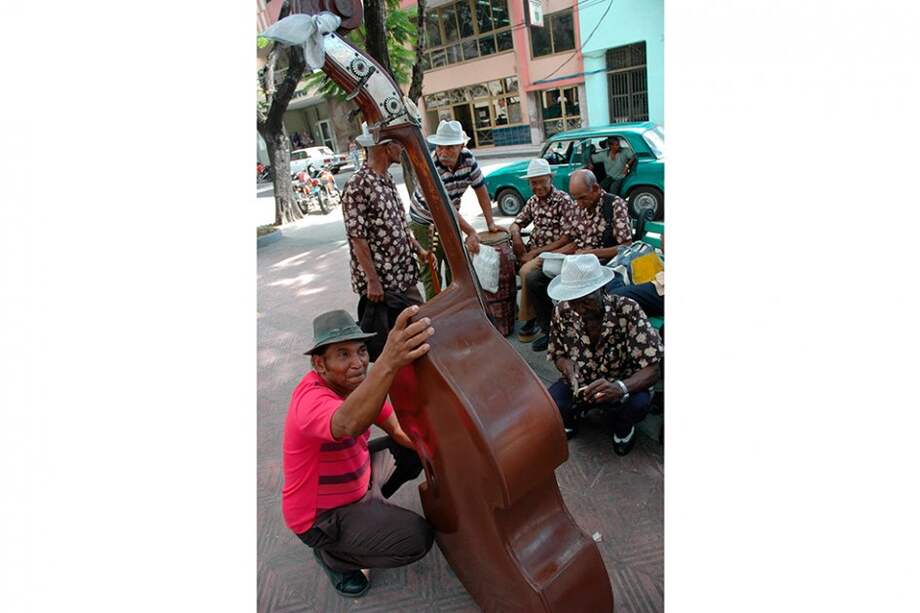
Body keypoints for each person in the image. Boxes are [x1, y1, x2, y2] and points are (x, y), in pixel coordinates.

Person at [282, 307, 436, 598]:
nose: (358, 363)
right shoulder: (310, 398)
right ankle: (334, 557)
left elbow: (399, 431)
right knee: (417, 538)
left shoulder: (359, 385)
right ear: (320, 364)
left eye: (362, 351)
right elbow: (347, 424)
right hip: (320, 519)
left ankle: (368, 515)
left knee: (412, 452)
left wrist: (447, 456)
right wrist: (387, 364)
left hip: (359, 484)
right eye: (343, 354)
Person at [543, 254, 662, 455]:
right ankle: (573, 417)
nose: (580, 310)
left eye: (586, 301)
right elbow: (558, 354)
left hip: (621, 381)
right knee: (554, 401)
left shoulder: (627, 309)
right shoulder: (562, 311)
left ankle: (623, 427)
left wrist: (620, 387)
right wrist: (568, 369)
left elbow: (653, 369)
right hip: (582, 383)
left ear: (603, 289)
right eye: (574, 302)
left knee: (639, 404)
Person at [341, 123, 429, 357]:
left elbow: (399, 223)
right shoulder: (357, 185)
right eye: (398, 144)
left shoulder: (387, 178)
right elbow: (357, 238)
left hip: (403, 273)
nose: (402, 149)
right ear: (386, 146)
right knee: (393, 341)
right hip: (383, 283)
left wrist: (417, 248)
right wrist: (373, 281)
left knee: (416, 328)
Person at [526, 169, 633, 351]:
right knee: (534, 279)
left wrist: (592, 253)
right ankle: (550, 332)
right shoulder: (578, 206)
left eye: (582, 198)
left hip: (602, 268)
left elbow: (625, 247)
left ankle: (576, 336)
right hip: (576, 263)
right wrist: (550, 255)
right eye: (575, 198)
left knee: (571, 293)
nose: (579, 204)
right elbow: (572, 238)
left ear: (596, 188)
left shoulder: (614, 205)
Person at [409, 120, 499, 300]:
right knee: (432, 271)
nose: (443, 152)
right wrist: (471, 231)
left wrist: (491, 223)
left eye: (449, 148)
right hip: (424, 219)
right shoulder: (431, 166)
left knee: (456, 266)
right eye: (440, 147)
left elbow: (481, 190)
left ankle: (456, 307)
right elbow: (445, 205)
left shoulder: (468, 159)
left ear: (461, 146)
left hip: (449, 218)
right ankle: (437, 318)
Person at [509, 158, 578, 343]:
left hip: (553, 254)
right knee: (504, 263)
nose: (538, 186)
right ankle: (509, 313)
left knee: (526, 272)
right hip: (534, 250)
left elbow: (567, 238)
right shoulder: (533, 201)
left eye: (541, 181)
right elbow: (517, 222)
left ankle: (530, 319)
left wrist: (535, 252)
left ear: (550, 179)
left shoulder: (562, 200)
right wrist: (516, 235)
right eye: (533, 182)